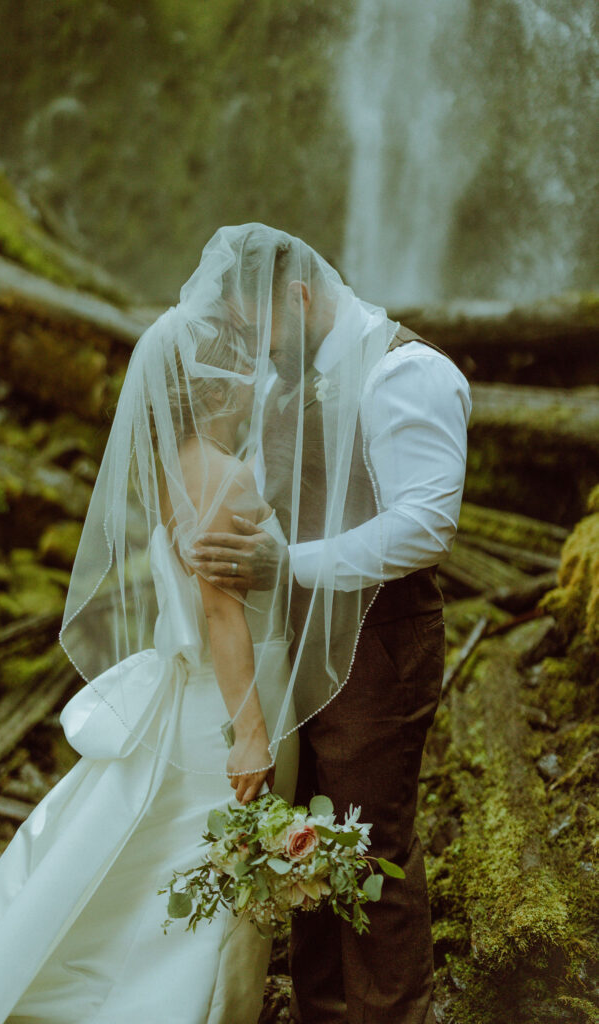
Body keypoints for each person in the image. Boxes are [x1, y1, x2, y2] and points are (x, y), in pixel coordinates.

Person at [0, 305, 301, 1024]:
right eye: (244, 372)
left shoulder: (175, 469)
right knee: (211, 869)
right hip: (227, 703)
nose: (256, 384)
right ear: (216, 391)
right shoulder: (223, 477)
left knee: (154, 863)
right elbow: (220, 612)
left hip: (200, 695)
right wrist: (251, 730)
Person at [190, 224, 472, 1024]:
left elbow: (425, 523)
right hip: (292, 649)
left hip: (377, 646)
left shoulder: (406, 374)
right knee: (303, 844)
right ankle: (322, 1010)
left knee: (370, 847)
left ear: (299, 296)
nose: (254, 348)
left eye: (259, 329)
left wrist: (289, 567)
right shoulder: (291, 382)